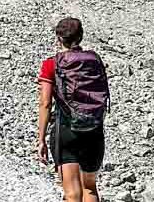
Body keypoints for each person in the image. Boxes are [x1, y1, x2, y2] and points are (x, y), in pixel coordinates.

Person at [37, 18, 110, 202]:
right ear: (81, 36)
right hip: (94, 129)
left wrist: (41, 139)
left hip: (66, 130)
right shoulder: (95, 60)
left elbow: (45, 103)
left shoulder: (51, 64)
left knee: (72, 193)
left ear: (58, 39)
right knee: (90, 188)